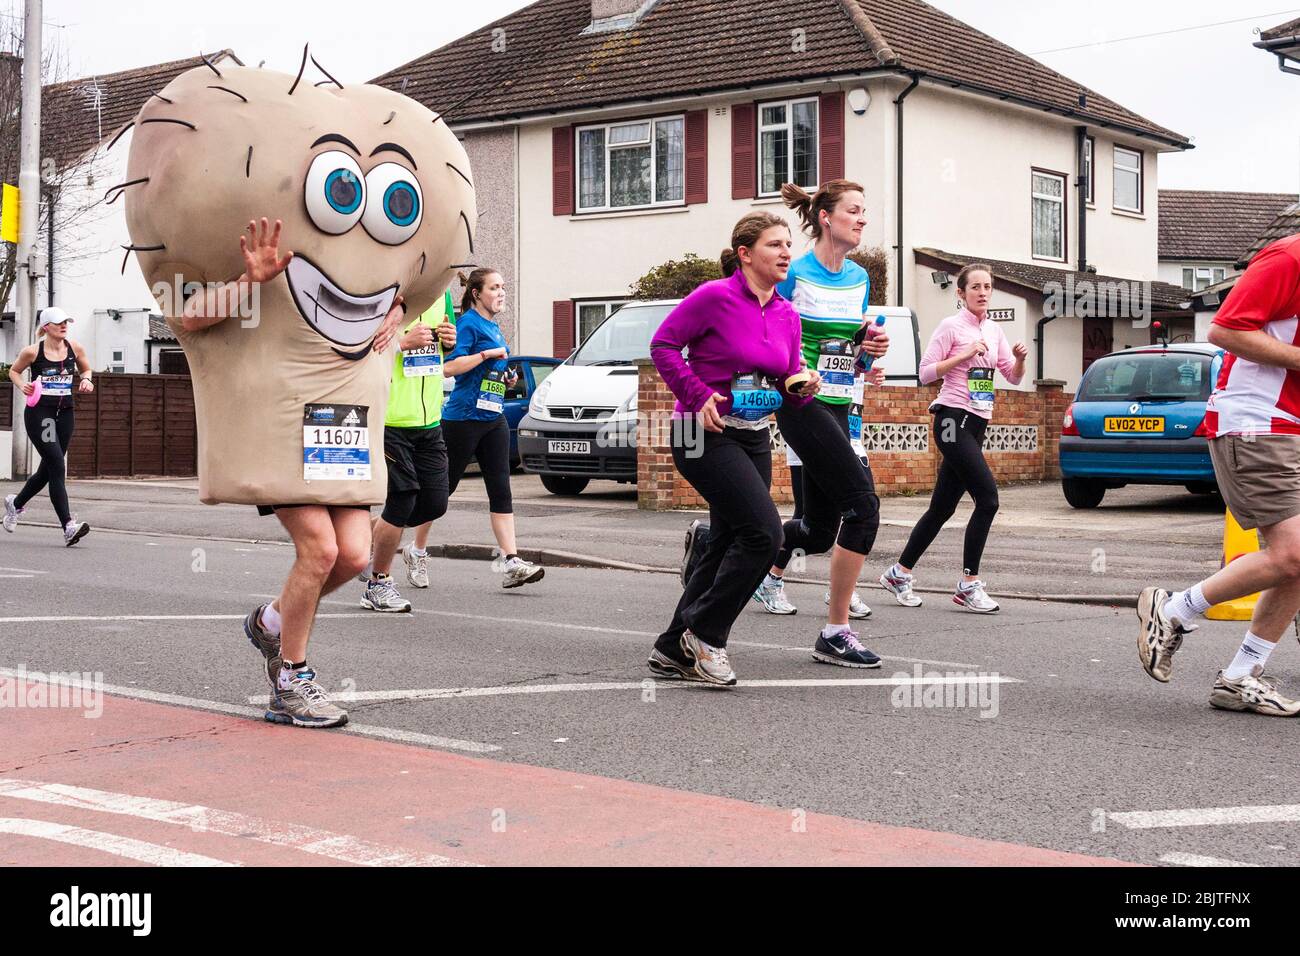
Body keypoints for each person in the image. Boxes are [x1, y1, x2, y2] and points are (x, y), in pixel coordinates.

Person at [186, 219, 404, 728]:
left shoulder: (371, 266)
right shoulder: (264, 260)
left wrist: (397, 307)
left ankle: (269, 621)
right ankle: (292, 680)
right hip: (284, 426)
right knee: (320, 550)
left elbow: (417, 283)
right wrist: (250, 280)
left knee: (353, 556)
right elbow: (189, 317)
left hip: (344, 427)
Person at [648, 211, 817, 685]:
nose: (786, 252)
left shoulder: (787, 312)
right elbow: (662, 345)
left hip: (753, 432)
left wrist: (800, 383)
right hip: (699, 431)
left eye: (788, 244)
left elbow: (784, 373)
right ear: (745, 254)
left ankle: (671, 648)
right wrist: (697, 394)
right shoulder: (713, 297)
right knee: (766, 533)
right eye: (774, 245)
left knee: (727, 542)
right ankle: (705, 635)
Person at [1136, 232, 1300, 716]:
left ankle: (1239, 677)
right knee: (1292, 553)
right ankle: (1172, 610)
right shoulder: (1289, 257)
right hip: (1256, 422)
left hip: (1289, 426)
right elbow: (1225, 330)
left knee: (1297, 559)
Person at [742, 182, 888, 670]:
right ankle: (836, 631)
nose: (862, 219)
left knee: (821, 530)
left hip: (841, 403)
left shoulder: (860, 278)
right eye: (853, 211)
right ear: (826, 218)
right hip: (800, 400)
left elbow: (848, 351)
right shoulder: (794, 273)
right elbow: (765, 329)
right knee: (864, 507)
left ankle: (715, 539)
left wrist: (869, 350)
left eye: (864, 212)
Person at [880, 263, 1026, 613]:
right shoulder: (951, 327)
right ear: (961, 293)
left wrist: (1020, 360)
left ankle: (899, 572)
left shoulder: (994, 331)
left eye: (987, 286)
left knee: (942, 507)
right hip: (951, 418)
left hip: (978, 421)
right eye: (974, 287)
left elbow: (1013, 377)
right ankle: (968, 584)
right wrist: (962, 354)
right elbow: (925, 372)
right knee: (988, 499)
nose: (982, 292)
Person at [441, 268, 543, 588]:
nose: (501, 293)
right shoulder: (468, 324)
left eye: (503, 287)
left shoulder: (493, 325)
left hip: (493, 417)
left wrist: (505, 377)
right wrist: (487, 354)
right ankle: (376, 539)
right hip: (463, 419)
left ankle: (511, 560)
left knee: (501, 488)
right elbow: (450, 367)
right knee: (437, 493)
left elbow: (490, 370)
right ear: (476, 293)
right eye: (494, 287)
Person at [359, 290, 458, 611]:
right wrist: (402, 342)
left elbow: (446, 350)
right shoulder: (379, 290)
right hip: (390, 419)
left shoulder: (441, 293)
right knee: (402, 501)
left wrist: (449, 340)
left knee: (435, 502)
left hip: (429, 418)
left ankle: (368, 541)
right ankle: (378, 583)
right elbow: (355, 349)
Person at [4, 307, 93, 545]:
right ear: (46, 327)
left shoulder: (75, 348)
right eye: (58, 323)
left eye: (66, 322)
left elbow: (86, 368)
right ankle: (68, 526)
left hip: (65, 413)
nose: (64, 326)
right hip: (40, 413)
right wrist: (22, 385)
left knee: (48, 469)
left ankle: (16, 504)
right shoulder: (33, 352)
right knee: (57, 464)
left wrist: (86, 380)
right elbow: (14, 371)